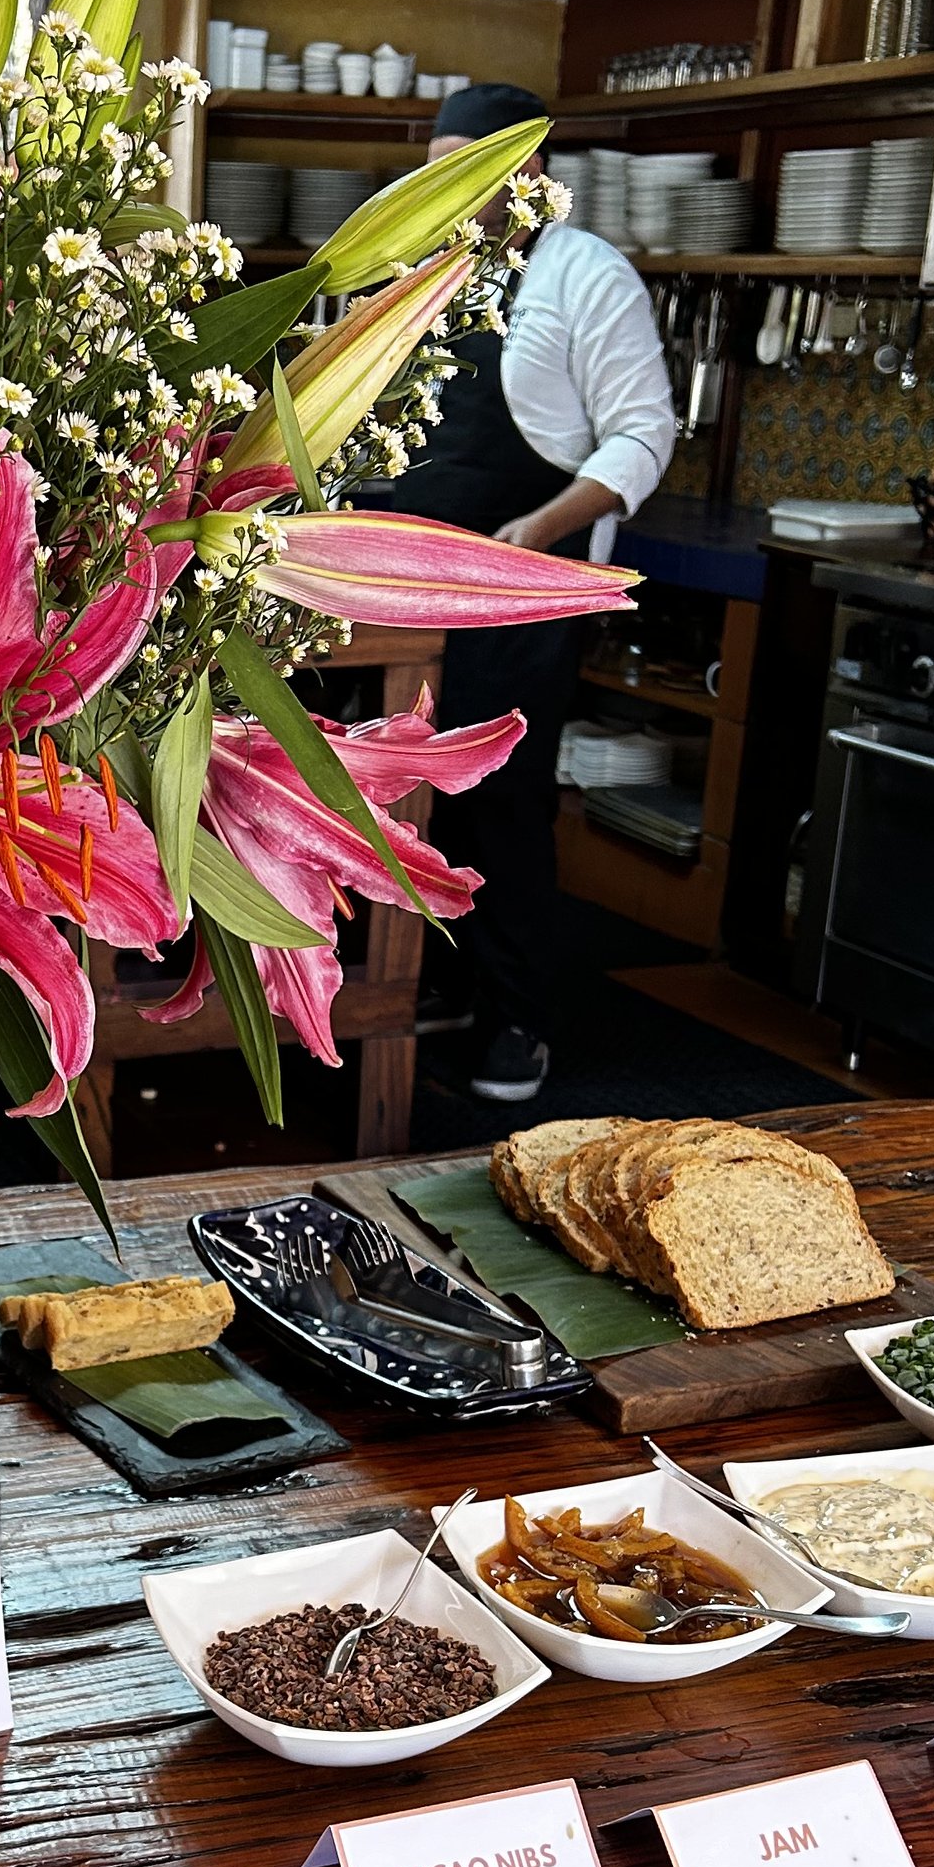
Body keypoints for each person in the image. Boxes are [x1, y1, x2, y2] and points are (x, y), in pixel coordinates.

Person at [376, 81, 676, 1105]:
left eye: (468, 164)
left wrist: (541, 532)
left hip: (517, 574)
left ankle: (516, 1019)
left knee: (499, 800)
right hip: (396, 581)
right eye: (436, 162)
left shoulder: (585, 276)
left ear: (532, 169)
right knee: (393, 792)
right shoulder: (422, 268)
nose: (443, 184)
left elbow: (641, 433)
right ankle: (422, 988)